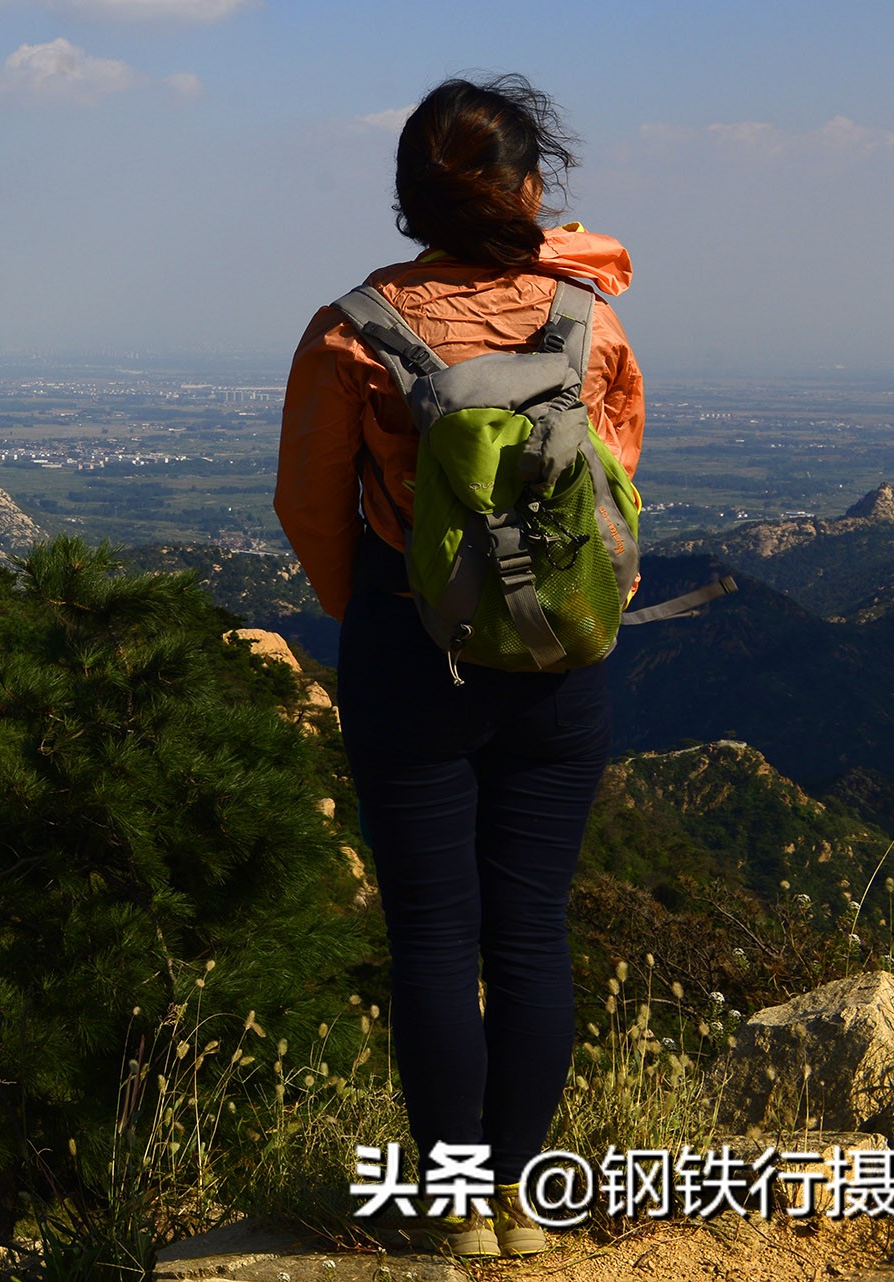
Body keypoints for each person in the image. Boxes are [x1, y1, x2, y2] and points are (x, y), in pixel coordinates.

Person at [273, 74, 642, 1261]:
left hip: (409, 648)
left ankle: (457, 1206)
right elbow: (617, 494)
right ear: (532, 187)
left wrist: (382, 615)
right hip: (559, 660)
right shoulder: (591, 320)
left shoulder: (350, 329)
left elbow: (308, 505)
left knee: (433, 935)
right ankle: (525, 1200)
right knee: (530, 928)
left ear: (406, 197)